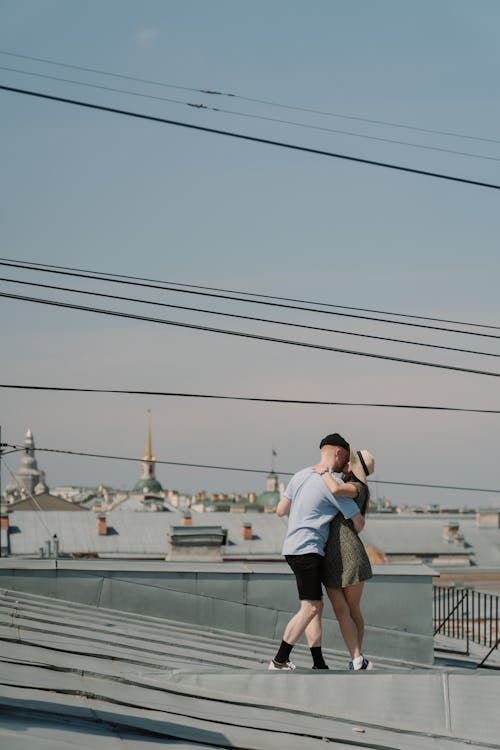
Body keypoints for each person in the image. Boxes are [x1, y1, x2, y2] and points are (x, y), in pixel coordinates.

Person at [269, 433, 365, 671]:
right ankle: (279, 660)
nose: (346, 465)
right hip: (309, 548)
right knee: (310, 607)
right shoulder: (331, 484)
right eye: (346, 459)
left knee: (315, 605)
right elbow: (359, 523)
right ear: (338, 453)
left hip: (292, 548)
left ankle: (318, 662)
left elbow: (281, 510)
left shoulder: (300, 475)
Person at [312, 447, 374, 671]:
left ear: (354, 468)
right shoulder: (349, 484)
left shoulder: (358, 488)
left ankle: (358, 657)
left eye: (351, 461)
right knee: (341, 611)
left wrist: (323, 472)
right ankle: (357, 658)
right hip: (331, 557)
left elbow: (336, 490)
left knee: (353, 610)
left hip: (350, 556)